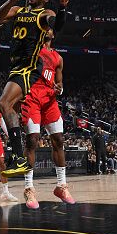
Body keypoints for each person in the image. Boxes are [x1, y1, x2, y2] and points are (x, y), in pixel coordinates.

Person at [0, 0, 71, 177]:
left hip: (30, 67)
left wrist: (63, 1)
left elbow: (58, 26)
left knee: (3, 103)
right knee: (6, 106)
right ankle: (19, 157)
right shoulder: (19, 10)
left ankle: (19, 157)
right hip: (16, 66)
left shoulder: (44, 14)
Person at [16, 29, 75, 208]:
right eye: (43, 27)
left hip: (50, 99)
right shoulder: (32, 49)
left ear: (53, 34)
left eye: (49, 27)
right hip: (32, 97)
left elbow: (60, 83)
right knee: (32, 141)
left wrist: (60, 89)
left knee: (58, 140)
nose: (46, 29)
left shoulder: (58, 58)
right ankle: (29, 188)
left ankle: (61, 186)